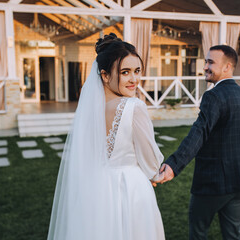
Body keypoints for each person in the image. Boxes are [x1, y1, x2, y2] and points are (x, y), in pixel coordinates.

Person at [47, 33, 165, 240]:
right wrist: (155, 174)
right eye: (125, 72)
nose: (134, 79)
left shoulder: (88, 112)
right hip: (131, 191)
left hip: (95, 192)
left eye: (137, 71)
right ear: (105, 75)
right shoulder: (134, 107)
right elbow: (151, 163)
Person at [156, 45, 240, 240]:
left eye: (211, 62)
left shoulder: (213, 95)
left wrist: (173, 166)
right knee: (234, 235)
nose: (205, 67)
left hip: (213, 181)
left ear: (228, 67)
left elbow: (199, 133)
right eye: (206, 61)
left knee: (198, 233)